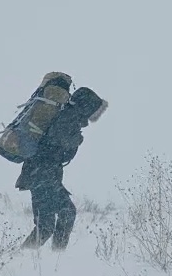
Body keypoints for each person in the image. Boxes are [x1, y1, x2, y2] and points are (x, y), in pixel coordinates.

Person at [15, 81, 107, 251]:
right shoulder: (68, 118)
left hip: (41, 174)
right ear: (86, 106)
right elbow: (58, 141)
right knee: (65, 214)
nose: (94, 115)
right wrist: (77, 139)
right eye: (93, 110)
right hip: (42, 174)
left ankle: (26, 259)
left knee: (47, 224)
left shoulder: (68, 116)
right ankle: (54, 258)